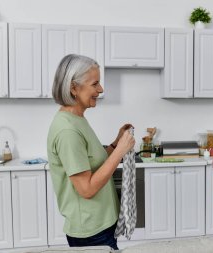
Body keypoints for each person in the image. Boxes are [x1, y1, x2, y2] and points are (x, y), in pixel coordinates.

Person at [47, 54, 135, 249]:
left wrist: (114, 144)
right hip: (91, 230)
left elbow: (90, 159)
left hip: (101, 224)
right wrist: (120, 151)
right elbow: (86, 189)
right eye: (95, 84)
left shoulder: (77, 119)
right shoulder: (67, 130)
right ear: (73, 88)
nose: (101, 89)